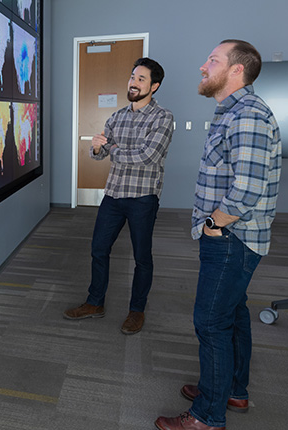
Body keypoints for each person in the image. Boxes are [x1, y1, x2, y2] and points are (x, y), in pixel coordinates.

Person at [155, 40, 281, 430]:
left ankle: (207, 417)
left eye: (212, 60)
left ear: (237, 70)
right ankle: (231, 390)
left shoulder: (248, 115)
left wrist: (213, 225)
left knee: (210, 322)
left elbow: (246, 188)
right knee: (232, 315)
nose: (202, 66)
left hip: (231, 240)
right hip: (234, 239)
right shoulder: (233, 113)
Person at [63, 57, 174, 335]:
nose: (133, 83)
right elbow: (97, 154)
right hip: (113, 195)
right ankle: (95, 303)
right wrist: (99, 148)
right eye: (132, 77)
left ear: (154, 86)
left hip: (143, 197)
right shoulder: (117, 116)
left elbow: (148, 157)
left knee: (142, 257)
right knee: (98, 249)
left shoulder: (163, 118)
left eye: (141, 79)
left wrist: (111, 149)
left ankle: (136, 311)